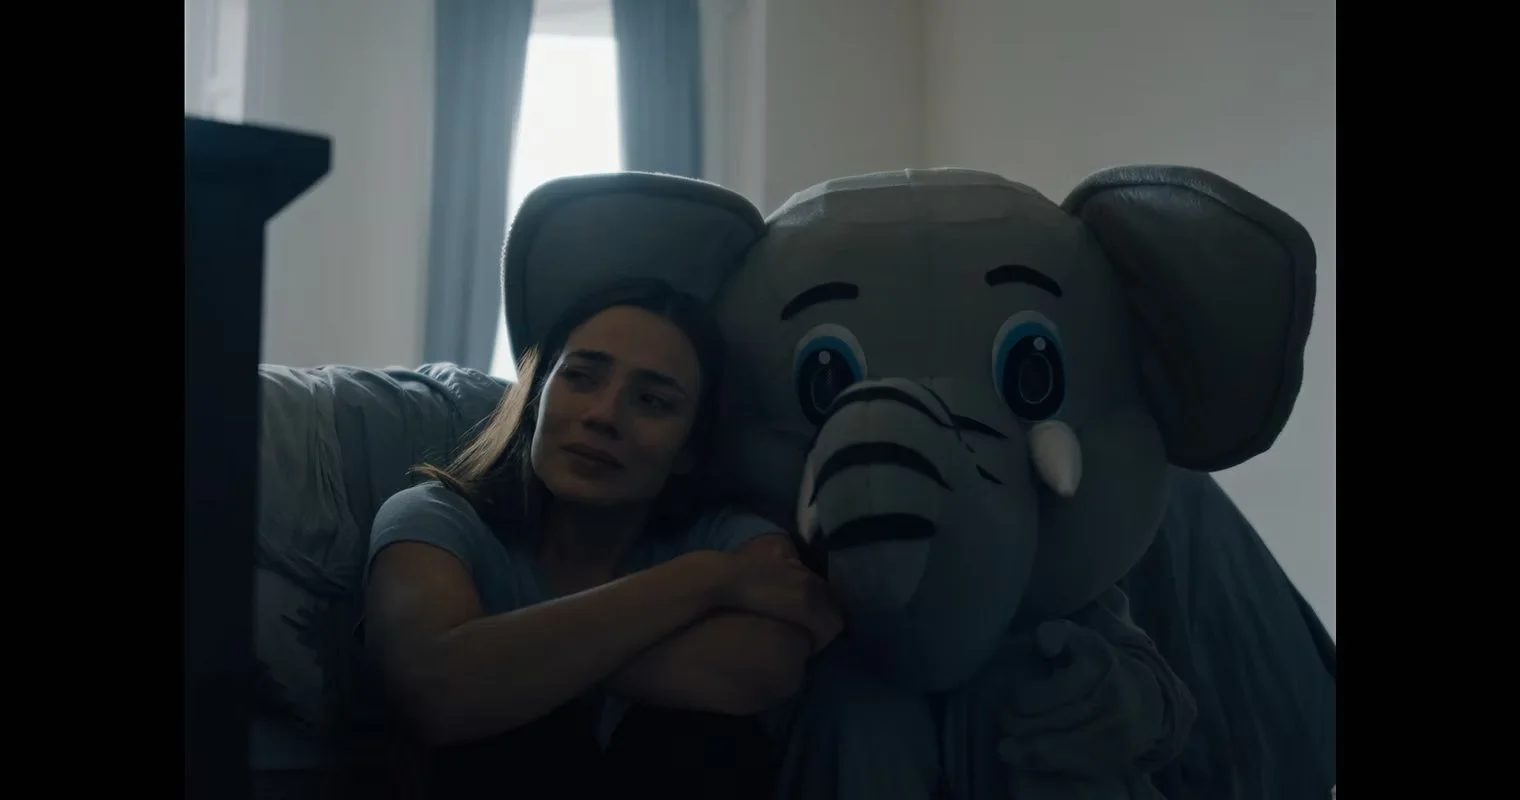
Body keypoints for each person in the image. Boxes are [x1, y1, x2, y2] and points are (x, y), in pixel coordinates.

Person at [363, 278, 843, 799]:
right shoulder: (434, 519)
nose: (603, 415)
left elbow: (767, 667)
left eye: (653, 401)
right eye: (580, 377)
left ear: (689, 448)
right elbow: (440, 692)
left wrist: (510, 667)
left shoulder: (728, 535)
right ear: (537, 396)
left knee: (699, 739)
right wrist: (708, 579)